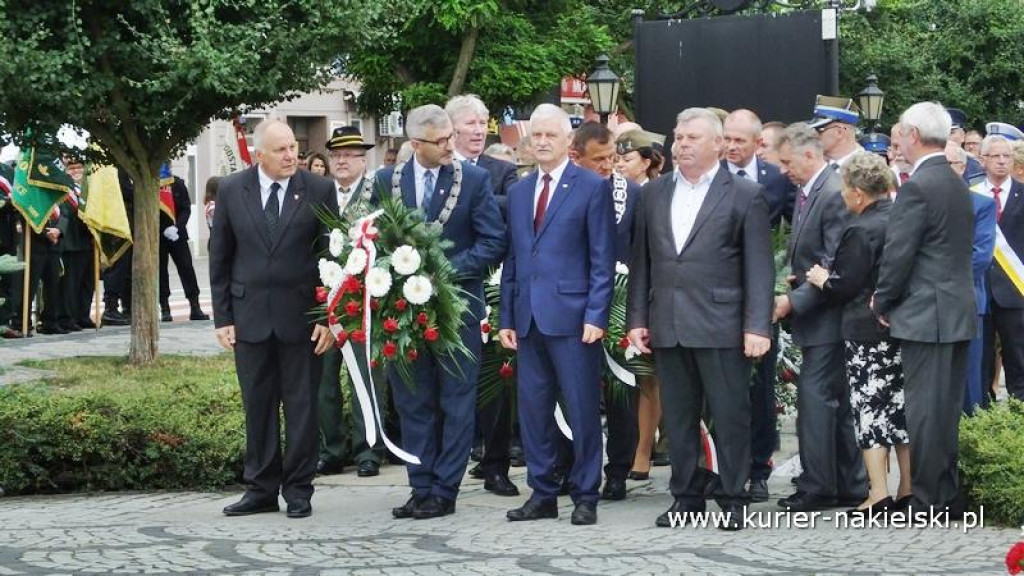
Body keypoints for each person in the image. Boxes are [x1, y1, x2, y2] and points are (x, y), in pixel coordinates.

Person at [626, 107, 773, 530]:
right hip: (668, 323)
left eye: (691, 137)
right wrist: (637, 318)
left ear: (718, 144)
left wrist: (756, 327)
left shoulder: (745, 194)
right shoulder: (654, 193)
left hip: (723, 325)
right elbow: (643, 262)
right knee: (678, 417)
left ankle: (732, 498)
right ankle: (686, 497)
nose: (681, 144)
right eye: (678, 137)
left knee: (729, 416)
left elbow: (759, 268)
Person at [375, 104, 505, 520]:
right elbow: (372, 241)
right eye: (442, 141)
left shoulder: (475, 180)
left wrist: (446, 270)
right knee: (412, 401)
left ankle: (446, 489)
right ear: (415, 144)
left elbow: (493, 241)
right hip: (403, 313)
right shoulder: (384, 181)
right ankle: (421, 485)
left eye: (452, 136)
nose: (452, 146)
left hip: (457, 310)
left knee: (456, 400)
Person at [210, 118, 337, 519]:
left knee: (301, 408)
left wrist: (327, 315)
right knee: (258, 406)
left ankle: (298, 490)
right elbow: (220, 257)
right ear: (259, 153)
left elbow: (331, 256)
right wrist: (222, 317)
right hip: (248, 318)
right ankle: (260, 488)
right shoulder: (232, 190)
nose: (291, 156)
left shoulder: (318, 189)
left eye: (294, 148)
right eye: (281, 149)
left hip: (302, 319)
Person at [499, 104, 615, 526]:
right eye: (537, 135)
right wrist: (506, 318)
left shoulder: (589, 186)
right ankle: (542, 492)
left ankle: (586, 493)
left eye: (551, 135)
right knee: (533, 411)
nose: (543, 142)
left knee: (583, 409)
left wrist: (596, 315)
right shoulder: (518, 192)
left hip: (574, 318)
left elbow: (602, 257)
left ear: (569, 141)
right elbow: (514, 258)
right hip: (528, 320)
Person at [872, 102, 976, 516]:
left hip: (926, 314)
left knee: (925, 412)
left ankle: (931, 499)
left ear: (913, 135)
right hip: (954, 310)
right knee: (945, 409)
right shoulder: (955, 181)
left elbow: (899, 253)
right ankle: (944, 492)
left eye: (898, 133)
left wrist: (883, 300)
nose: (896, 140)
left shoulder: (918, 185)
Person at [804, 151, 910, 516]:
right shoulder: (899, 217)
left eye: (846, 190)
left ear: (859, 193)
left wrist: (821, 279)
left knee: (870, 411)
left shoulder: (860, 227)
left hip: (865, 332)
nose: (844, 197)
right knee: (899, 410)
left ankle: (878, 493)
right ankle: (907, 489)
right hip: (900, 328)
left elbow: (844, 286)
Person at [773, 123, 867, 512]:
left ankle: (818, 486)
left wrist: (792, 301)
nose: (782, 170)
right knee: (834, 402)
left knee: (815, 401)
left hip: (829, 316)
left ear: (810, 155)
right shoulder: (810, 190)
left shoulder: (830, 193)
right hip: (820, 314)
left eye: (786, 162)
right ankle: (850, 482)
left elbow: (833, 262)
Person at [444, 95, 520, 498]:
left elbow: (511, 210)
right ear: (450, 129)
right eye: (470, 124)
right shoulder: (435, 171)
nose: (478, 131)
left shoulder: (502, 171)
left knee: (495, 380)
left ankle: (496, 464)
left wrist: (478, 200)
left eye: (483, 123)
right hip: (436, 289)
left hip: (489, 286)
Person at [722, 109, 797, 502]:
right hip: (713, 299)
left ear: (758, 144)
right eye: (727, 139)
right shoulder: (710, 176)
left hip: (760, 301)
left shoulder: (776, 181)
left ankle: (759, 467)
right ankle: (718, 466)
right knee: (717, 388)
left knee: (760, 388)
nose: (732, 147)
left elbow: (793, 236)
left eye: (740, 141)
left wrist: (786, 287)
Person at [566, 121, 640, 502]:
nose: (609, 166)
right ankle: (576, 469)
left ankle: (618, 471)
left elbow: (642, 254)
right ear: (575, 157)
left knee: (620, 393)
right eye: (600, 160)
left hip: (619, 307)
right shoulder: (563, 192)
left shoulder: (632, 194)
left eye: (613, 158)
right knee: (573, 395)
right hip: (570, 305)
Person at [317, 125, 384, 478]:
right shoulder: (320, 193)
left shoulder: (379, 195)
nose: (341, 161)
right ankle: (331, 450)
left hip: (363, 303)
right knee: (324, 379)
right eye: (336, 155)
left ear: (363, 159)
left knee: (366, 379)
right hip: (324, 301)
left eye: (349, 155)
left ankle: (368, 450)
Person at [950, 143, 996, 413]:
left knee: (969, 383)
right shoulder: (919, 201)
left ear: (963, 167)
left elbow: (980, 256)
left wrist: (943, 284)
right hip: (927, 307)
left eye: (952, 165)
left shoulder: (981, 204)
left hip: (966, 301)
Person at [978, 134, 1024, 401]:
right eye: (995, 156)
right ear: (983, 159)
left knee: (1018, 362)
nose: (1002, 161)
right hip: (980, 291)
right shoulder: (970, 193)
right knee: (981, 364)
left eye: (1007, 156)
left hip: (1015, 292)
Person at [159, 174, 209, 322]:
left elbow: (185, 208)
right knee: (160, 272)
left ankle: (195, 307)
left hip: (177, 235)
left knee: (186, 268)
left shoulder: (177, 183)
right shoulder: (150, 183)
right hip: (158, 235)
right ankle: (165, 308)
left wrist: (177, 228)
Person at [58, 158, 95, 330]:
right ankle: (69, 317)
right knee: (71, 283)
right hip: (72, 241)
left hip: (88, 240)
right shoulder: (66, 189)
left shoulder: (90, 189)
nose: (76, 171)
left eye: (79, 167)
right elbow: (64, 212)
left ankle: (83, 315)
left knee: (88, 282)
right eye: (71, 168)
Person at [807, 96, 863, 168]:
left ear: (839, 132)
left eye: (819, 130)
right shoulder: (819, 167)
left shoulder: (868, 170)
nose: (814, 135)